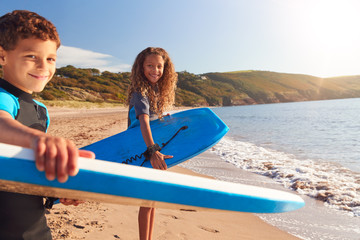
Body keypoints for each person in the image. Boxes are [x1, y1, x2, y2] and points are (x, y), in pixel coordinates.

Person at [0, 10, 94, 240]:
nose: (44, 66)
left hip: (34, 229)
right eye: (32, 56)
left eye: (51, 58)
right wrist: (38, 139)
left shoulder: (41, 111)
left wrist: (58, 191)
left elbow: (29, 169)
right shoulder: (3, 98)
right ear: (2, 56)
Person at [127, 47, 178, 240]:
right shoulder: (140, 92)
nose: (155, 70)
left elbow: (153, 120)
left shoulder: (155, 91)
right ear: (141, 67)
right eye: (150, 65)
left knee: (152, 199)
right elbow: (143, 121)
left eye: (159, 66)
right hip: (143, 150)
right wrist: (153, 150)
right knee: (147, 200)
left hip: (149, 148)